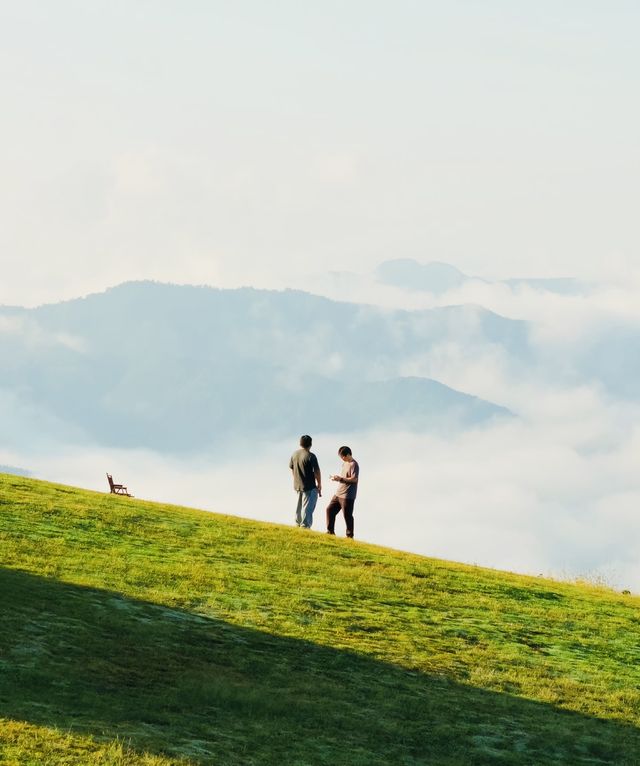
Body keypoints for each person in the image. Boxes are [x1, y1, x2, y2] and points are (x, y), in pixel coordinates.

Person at [326, 445, 359, 538]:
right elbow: (344, 477)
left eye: (343, 457)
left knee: (347, 516)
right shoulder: (344, 463)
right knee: (329, 510)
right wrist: (337, 478)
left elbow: (354, 479)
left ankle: (349, 536)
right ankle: (330, 532)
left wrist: (340, 479)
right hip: (338, 493)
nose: (342, 459)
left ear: (348, 454)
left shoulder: (354, 464)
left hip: (348, 496)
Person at [289, 434, 322, 529]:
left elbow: (291, 467)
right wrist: (319, 485)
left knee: (299, 506)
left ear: (300, 443)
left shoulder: (294, 454)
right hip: (309, 486)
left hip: (297, 485)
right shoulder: (311, 456)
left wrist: (295, 479)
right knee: (307, 507)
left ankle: (298, 523)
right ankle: (305, 526)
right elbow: (317, 471)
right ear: (310, 444)